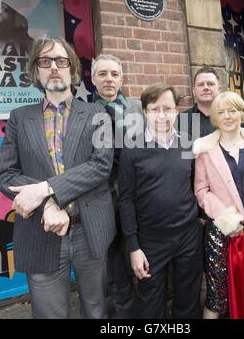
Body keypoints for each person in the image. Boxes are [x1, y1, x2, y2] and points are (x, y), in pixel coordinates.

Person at [0, 36, 116, 319]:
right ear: (36, 71)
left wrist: (46, 187)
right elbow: (6, 174)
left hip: (91, 230)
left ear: (72, 69)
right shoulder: (19, 117)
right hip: (41, 230)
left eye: (61, 61)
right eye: (45, 61)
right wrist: (47, 203)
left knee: (96, 310)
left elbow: (101, 166)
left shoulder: (97, 113)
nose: (53, 67)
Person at [118, 83, 203, 319]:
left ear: (176, 111)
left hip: (188, 235)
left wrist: (201, 217)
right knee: (151, 303)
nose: (162, 115)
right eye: (155, 109)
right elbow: (125, 200)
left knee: (188, 297)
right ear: (145, 112)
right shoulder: (132, 148)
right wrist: (134, 246)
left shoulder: (188, 144)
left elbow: (196, 183)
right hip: (151, 241)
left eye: (168, 108)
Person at [193, 91, 244, 319]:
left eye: (233, 110)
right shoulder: (204, 150)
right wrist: (227, 219)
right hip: (220, 233)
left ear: (242, 112)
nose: (228, 116)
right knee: (217, 296)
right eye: (221, 112)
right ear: (215, 118)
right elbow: (201, 191)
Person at [91, 53, 142, 319]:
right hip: (104, 198)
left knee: (142, 249)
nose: (109, 79)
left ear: (121, 78)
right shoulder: (85, 112)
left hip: (138, 194)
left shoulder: (138, 108)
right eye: (103, 74)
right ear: (93, 78)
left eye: (114, 74)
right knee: (113, 259)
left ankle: (150, 307)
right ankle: (125, 314)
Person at [180, 65, 244, 140]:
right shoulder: (183, 119)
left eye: (210, 84)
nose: (206, 87)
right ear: (194, 91)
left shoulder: (237, 114)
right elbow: (178, 150)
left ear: (219, 89)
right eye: (201, 85)